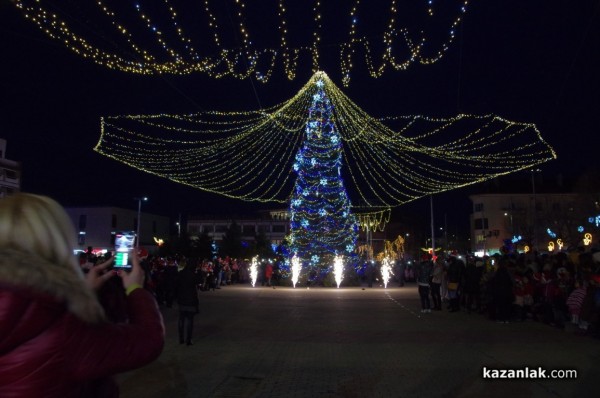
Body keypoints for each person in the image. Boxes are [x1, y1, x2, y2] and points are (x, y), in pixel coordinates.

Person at [0, 193, 165, 397]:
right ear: (57, 240)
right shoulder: (63, 331)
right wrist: (135, 290)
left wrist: (82, 293)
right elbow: (147, 341)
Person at [176, 259, 201, 346]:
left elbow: (176, 284)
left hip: (182, 298)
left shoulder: (181, 273)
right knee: (190, 320)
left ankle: (181, 338)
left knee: (181, 319)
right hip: (191, 299)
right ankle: (188, 339)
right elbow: (199, 281)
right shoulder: (193, 274)